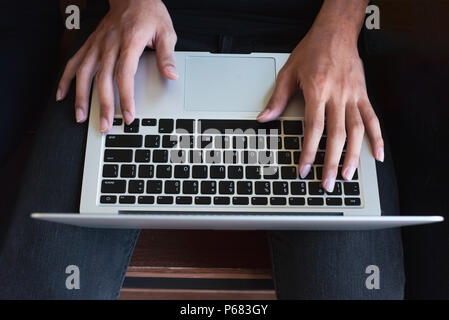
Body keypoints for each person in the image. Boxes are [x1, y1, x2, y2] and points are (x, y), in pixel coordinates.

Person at [0, 0, 405, 299]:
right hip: (139, 26)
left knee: (357, 289)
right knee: (48, 285)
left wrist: (341, 25)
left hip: (312, 35)